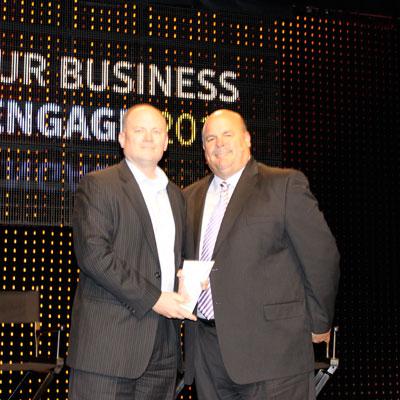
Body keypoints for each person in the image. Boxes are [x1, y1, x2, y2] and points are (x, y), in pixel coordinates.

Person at [182, 109, 340, 399]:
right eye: (211, 138)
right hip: (208, 355)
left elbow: (321, 257)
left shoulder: (284, 185)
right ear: (203, 148)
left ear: (247, 139)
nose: (219, 143)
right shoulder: (188, 197)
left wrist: (319, 322)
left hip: (274, 352)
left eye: (227, 134)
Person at [67, 104, 195, 400]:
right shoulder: (99, 185)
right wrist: (155, 298)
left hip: (163, 349)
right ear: (122, 138)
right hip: (109, 348)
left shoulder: (177, 196)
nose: (148, 137)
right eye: (139, 130)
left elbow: (171, 261)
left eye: (156, 131)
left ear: (166, 142)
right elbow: (94, 256)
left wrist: (189, 280)